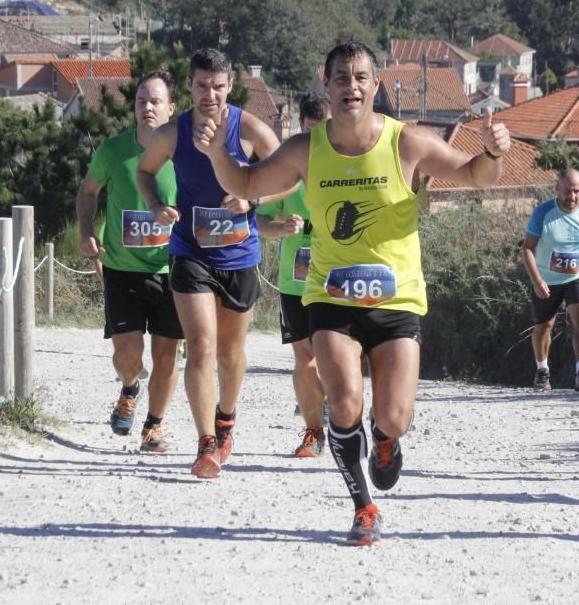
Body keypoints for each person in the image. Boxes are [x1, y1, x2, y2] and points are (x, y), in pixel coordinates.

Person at [193, 40, 509, 545]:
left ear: (375, 84)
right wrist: (214, 154)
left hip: (396, 298)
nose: (351, 87)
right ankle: (364, 507)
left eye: (361, 78)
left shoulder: (407, 142)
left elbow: (475, 175)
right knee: (343, 404)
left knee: (394, 416)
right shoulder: (305, 149)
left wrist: (492, 152)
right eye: (341, 78)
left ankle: (385, 440)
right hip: (331, 296)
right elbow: (248, 184)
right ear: (326, 83)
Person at [136, 49, 282, 479]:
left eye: (218, 87)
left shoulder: (251, 129)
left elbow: (288, 176)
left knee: (231, 353)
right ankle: (205, 443)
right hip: (190, 250)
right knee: (200, 345)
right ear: (189, 85)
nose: (210, 94)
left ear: (230, 86)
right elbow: (145, 173)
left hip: (238, 254)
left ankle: (226, 420)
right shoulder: (174, 133)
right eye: (202, 85)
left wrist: (252, 197)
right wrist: (156, 205)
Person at [76, 70, 183, 452]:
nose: (148, 107)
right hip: (122, 268)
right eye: (141, 101)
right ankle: (129, 387)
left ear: (172, 108)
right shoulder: (113, 150)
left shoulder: (185, 153)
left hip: (172, 270)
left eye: (156, 101)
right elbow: (88, 192)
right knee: (127, 354)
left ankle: (153, 427)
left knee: (166, 355)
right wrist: (87, 231)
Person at [256, 93, 330, 458]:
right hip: (295, 281)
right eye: (308, 134)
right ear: (300, 130)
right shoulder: (284, 172)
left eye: (322, 134)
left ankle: (345, 416)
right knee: (305, 358)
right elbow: (260, 221)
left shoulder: (348, 169)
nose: (314, 143)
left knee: (338, 357)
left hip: (340, 281)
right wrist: (282, 227)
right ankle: (313, 433)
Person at [521, 168, 579, 392]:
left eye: (577, 191)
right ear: (557, 188)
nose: (572, 196)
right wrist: (537, 281)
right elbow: (527, 249)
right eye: (567, 191)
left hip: (578, 276)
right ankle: (542, 370)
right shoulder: (543, 213)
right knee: (544, 326)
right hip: (546, 278)